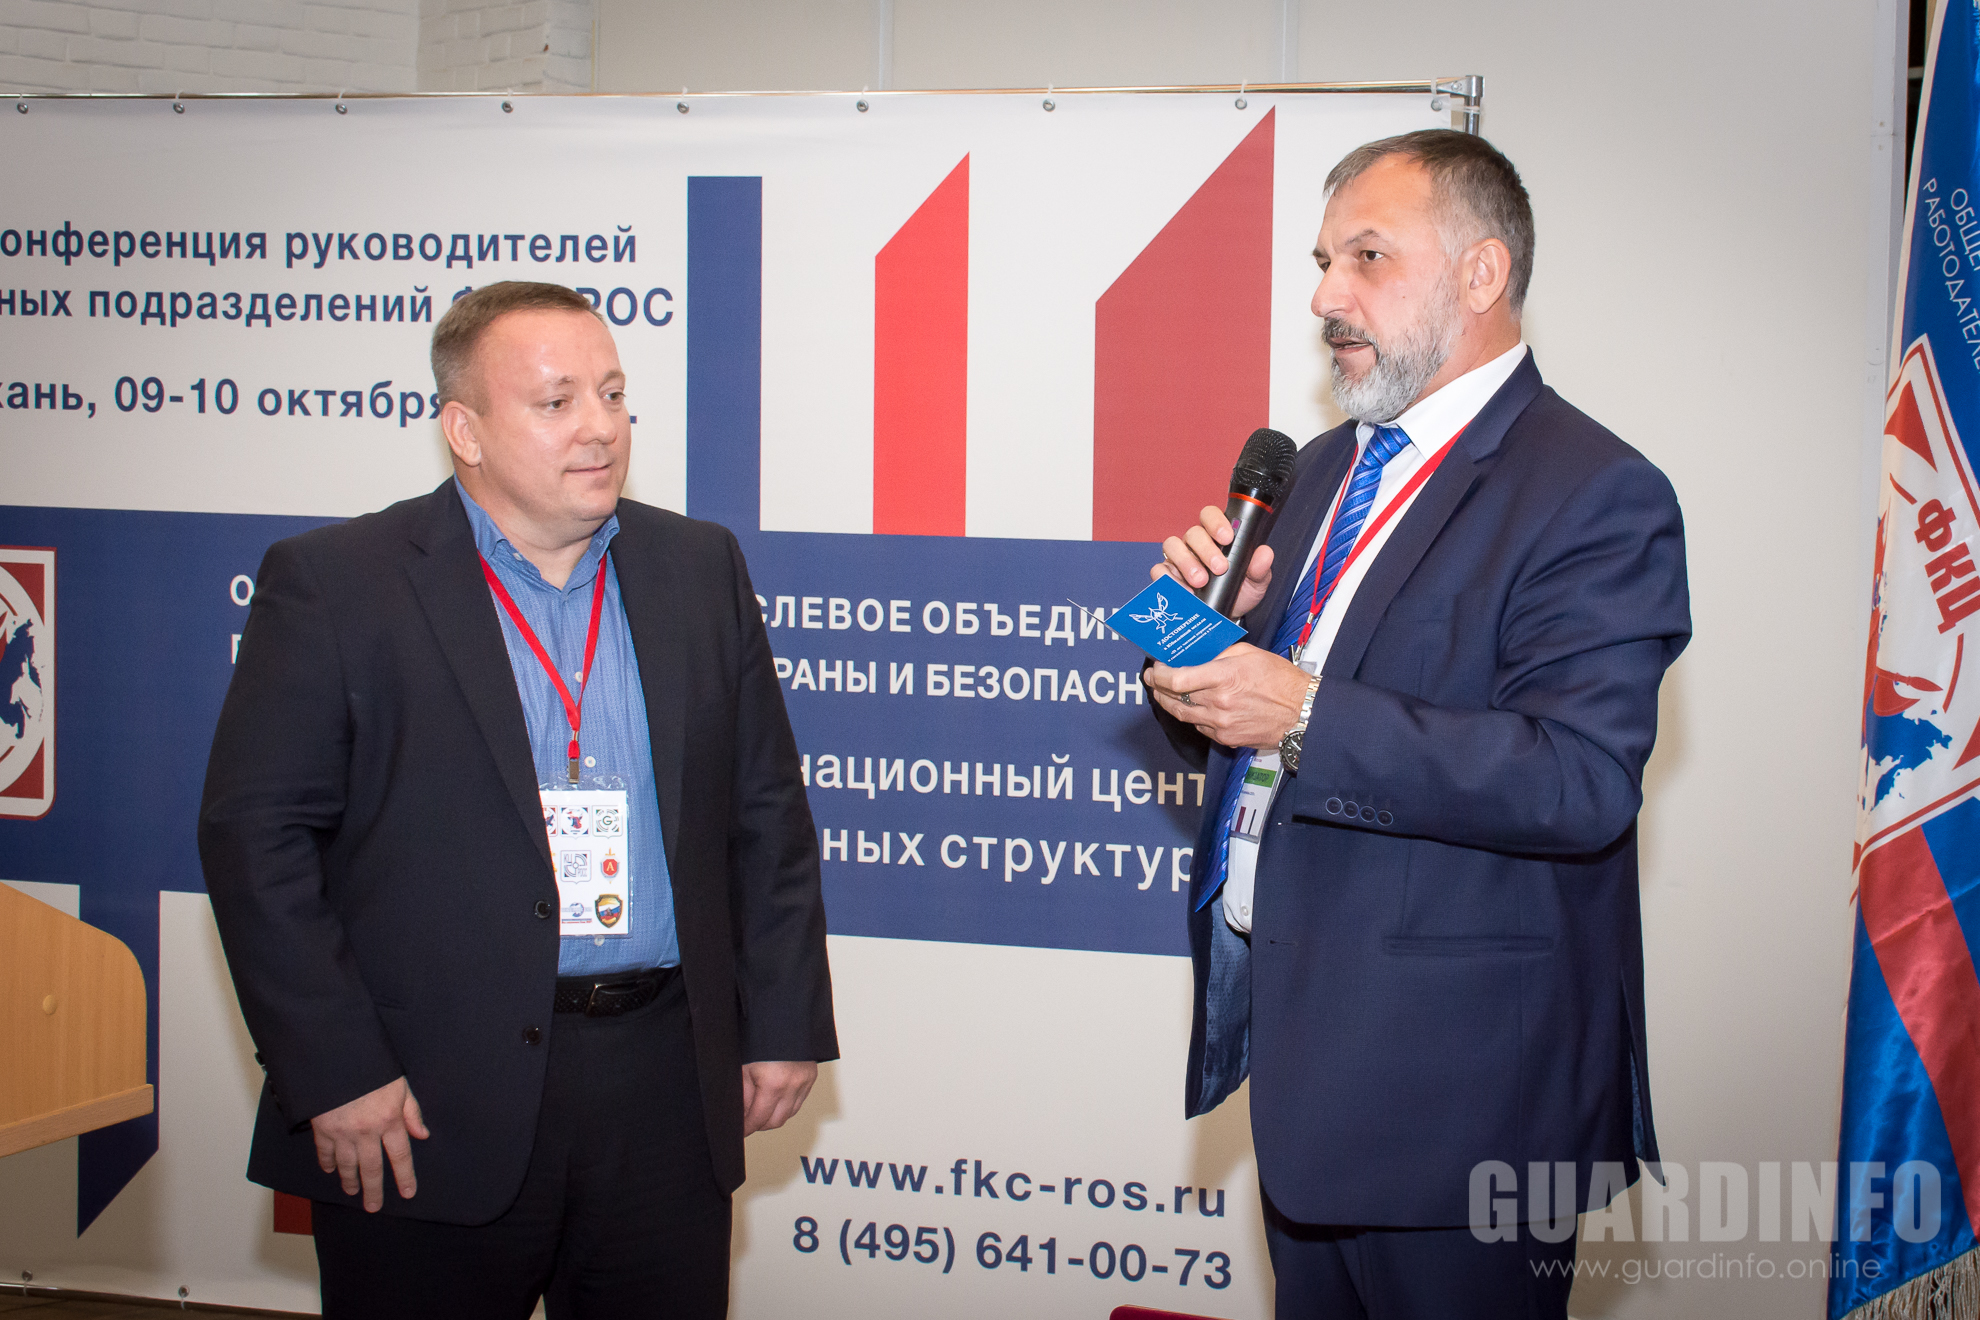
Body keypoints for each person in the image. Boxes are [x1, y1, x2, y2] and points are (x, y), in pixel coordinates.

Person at [198, 281, 837, 1320]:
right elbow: (255, 840)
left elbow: (766, 813)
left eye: (613, 394)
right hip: (420, 1102)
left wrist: (781, 1018)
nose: (600, 427)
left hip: (663, 1091)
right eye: (556, 402)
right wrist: (334, 1070)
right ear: (466, 431)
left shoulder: (698, 566)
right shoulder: (338, 583)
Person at [1143, 131, 1690, 1318]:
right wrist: (1201, 643)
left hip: (1466, 1108)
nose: (1325, 297)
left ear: (1481, 274)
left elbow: (1579, 781)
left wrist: (1298, 708)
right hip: (1308, 1072)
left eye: (1368, 258)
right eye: (1323, 262)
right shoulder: (1321, 470)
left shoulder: (1595, 492)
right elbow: (1254, 733)